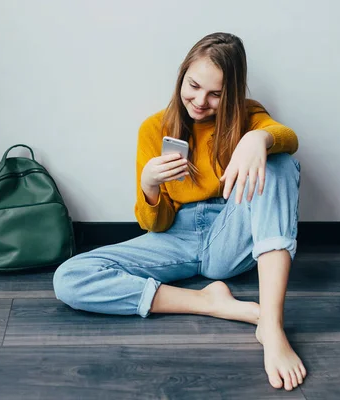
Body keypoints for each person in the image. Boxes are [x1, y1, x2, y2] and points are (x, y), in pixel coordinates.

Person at [53, 32, 306, 391]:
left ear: (231, 94)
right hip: (177, 236)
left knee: (280, 163)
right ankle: (209, 302)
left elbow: (287, 137)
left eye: (215, 94)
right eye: (194, 85)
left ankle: (271, 323)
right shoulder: (154, 129)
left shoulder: (248, 116)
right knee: (69, 278)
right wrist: (149, 186)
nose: (200, 101)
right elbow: (154, 223)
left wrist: (257, 139)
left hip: (229, 233)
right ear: (182, 75)